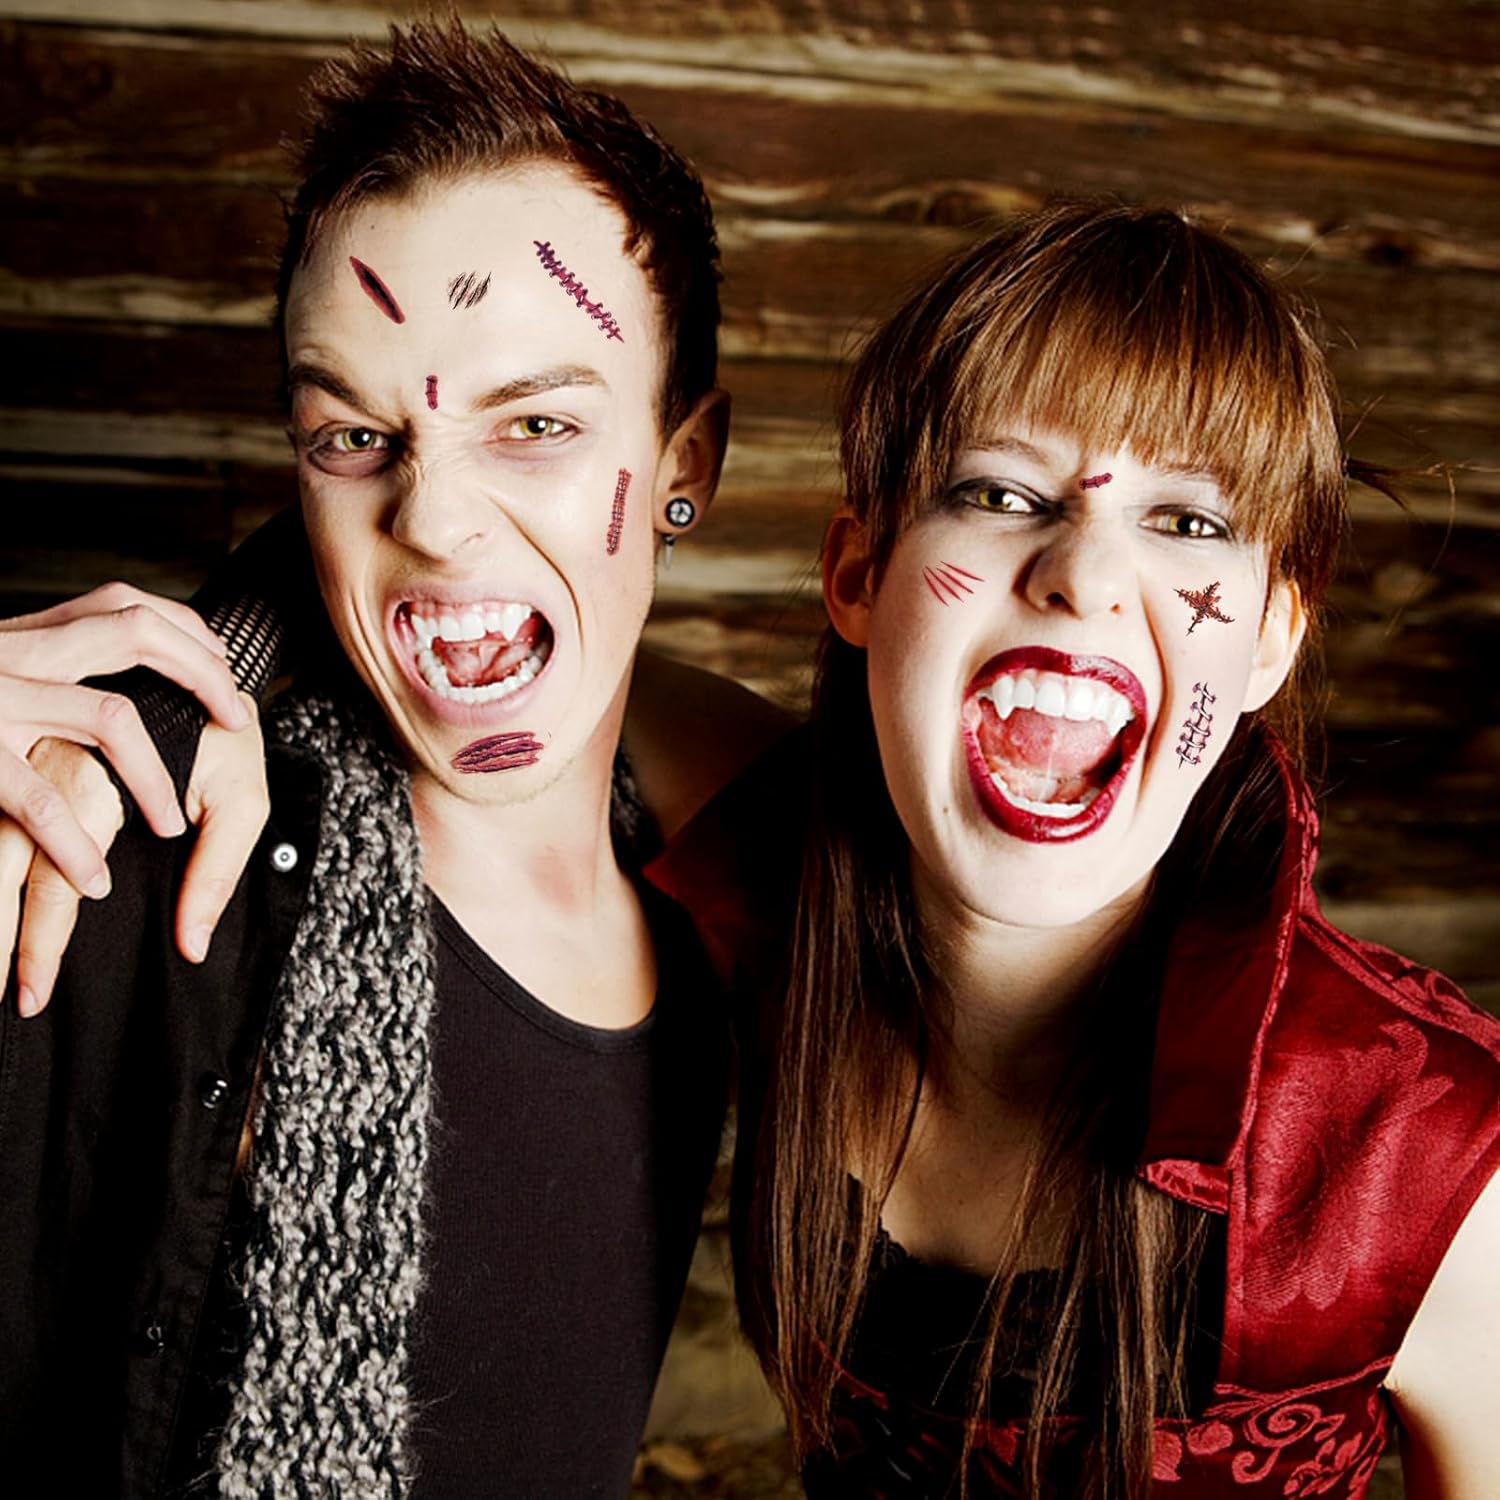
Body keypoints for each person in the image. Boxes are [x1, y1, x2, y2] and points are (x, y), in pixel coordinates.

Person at [0, 18, 797, 1495]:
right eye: (353, 438)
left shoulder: (735, 913)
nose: (431, 519)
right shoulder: (126, 846)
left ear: (684, 467)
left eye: (536, 424)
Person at [654, 203, 1498, 1496]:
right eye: (1000, 493)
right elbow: (538, 668)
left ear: (1270, 639)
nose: (1086, 575)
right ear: (858, 574)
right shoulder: (774, 882)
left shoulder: (1432, 1150)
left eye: (1189, 521)